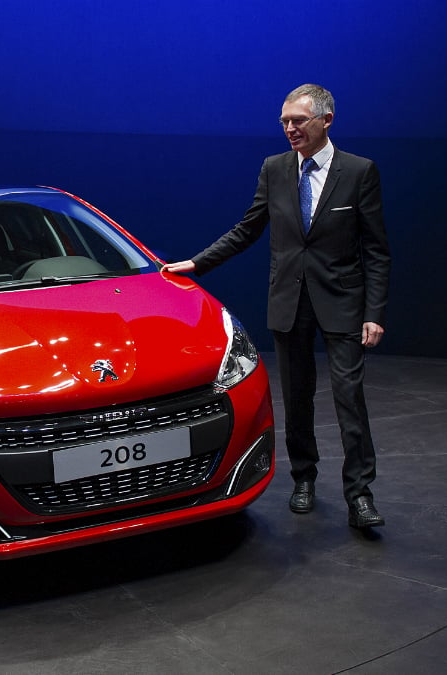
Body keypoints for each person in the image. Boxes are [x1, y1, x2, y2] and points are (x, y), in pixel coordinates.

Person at [163, 84, 391, 529]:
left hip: (343, 302)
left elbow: (377, 250)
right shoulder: (274, 169)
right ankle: (303, 478)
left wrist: (374, 312)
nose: (289, 129)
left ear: (326, 121)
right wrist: (196, 264)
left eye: (298, 120)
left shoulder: (360, 172)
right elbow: (247, 229)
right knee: (297, 398)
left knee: (349, 399)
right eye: (284, 121)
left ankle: (359, 494)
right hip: (290, 303)